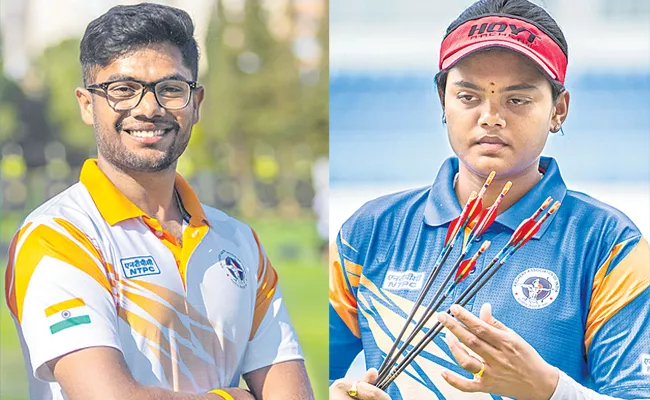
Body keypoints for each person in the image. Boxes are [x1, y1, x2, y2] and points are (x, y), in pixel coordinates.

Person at [329, 0, 650, 399]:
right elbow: (306, 377)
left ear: (559, 110)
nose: (490, 116)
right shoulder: (369, 231)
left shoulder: (610, 244)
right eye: (468, 97)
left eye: (517, 100)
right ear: (443, 101)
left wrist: (548, 389)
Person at [4, 3, 313, 400]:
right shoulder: (56, 237)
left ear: (196, 103)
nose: (148, 108)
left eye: (170, 89)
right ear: (86, 103)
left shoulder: (240, 243)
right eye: (123, 90)